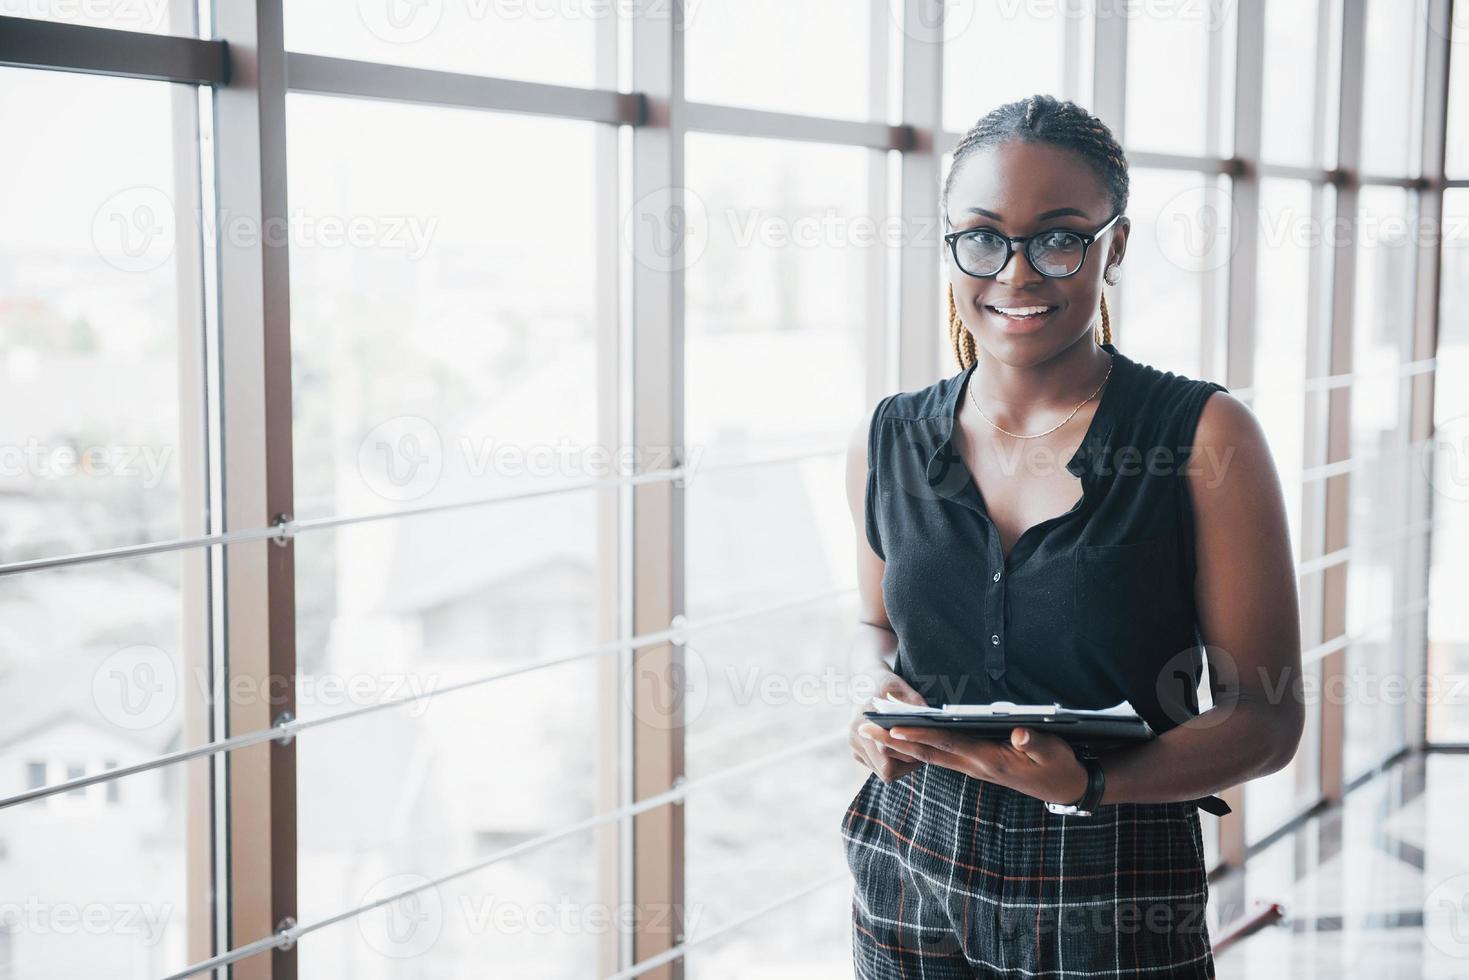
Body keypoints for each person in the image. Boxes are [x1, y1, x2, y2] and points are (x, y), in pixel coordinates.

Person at [840, 94, 1303, 979]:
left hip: (1111, 879)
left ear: (1113, 247)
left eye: (1057, 238)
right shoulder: (888, 437)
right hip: (905, 856)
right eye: (981, 237)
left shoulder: (1205, 436)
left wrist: (1092, 784)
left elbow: (1267, 717)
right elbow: (876, 629)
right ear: (949, 245)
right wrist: (872, 698)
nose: (1015, 275)